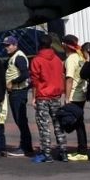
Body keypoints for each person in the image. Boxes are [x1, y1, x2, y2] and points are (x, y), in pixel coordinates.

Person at [29, 33, 67, 163]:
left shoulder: (37, 60)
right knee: (58, 124)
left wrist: (34, 97)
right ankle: (63, 151)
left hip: (43, 95)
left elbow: (35, 80)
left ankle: (47, 153)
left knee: (44, 125)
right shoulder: (57, 59)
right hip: (56, 95)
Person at [1, 34, 33, 156]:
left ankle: (25, 146)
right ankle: (26, 145)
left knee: (20, 119)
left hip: (19, 91)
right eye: (5, 46)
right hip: (15, 92)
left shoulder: (18, 57)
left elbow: (25, 74)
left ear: (15, 45)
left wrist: (12, 82)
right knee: (19, 119)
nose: (6, 48)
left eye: (8, 45)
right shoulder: (13, 56)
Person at [61, 36, 90, 160]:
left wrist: (67, 98)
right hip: (81, 93)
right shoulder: (79, 57)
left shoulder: (71, 59)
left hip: (74, 95)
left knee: (73, 122)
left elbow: (69, 79)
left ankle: (82, 151)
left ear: (64, 45)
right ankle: (81, 149)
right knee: (79, 123)